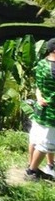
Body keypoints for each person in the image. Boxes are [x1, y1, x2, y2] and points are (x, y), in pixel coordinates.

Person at [27, 38, 55, 181]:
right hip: (52, 113)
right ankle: (32, 172)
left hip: (40, 110)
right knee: (47, 144)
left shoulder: (41, 64)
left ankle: (32, 166)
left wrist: (38, 97)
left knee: (35, 139)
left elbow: (38, 85)